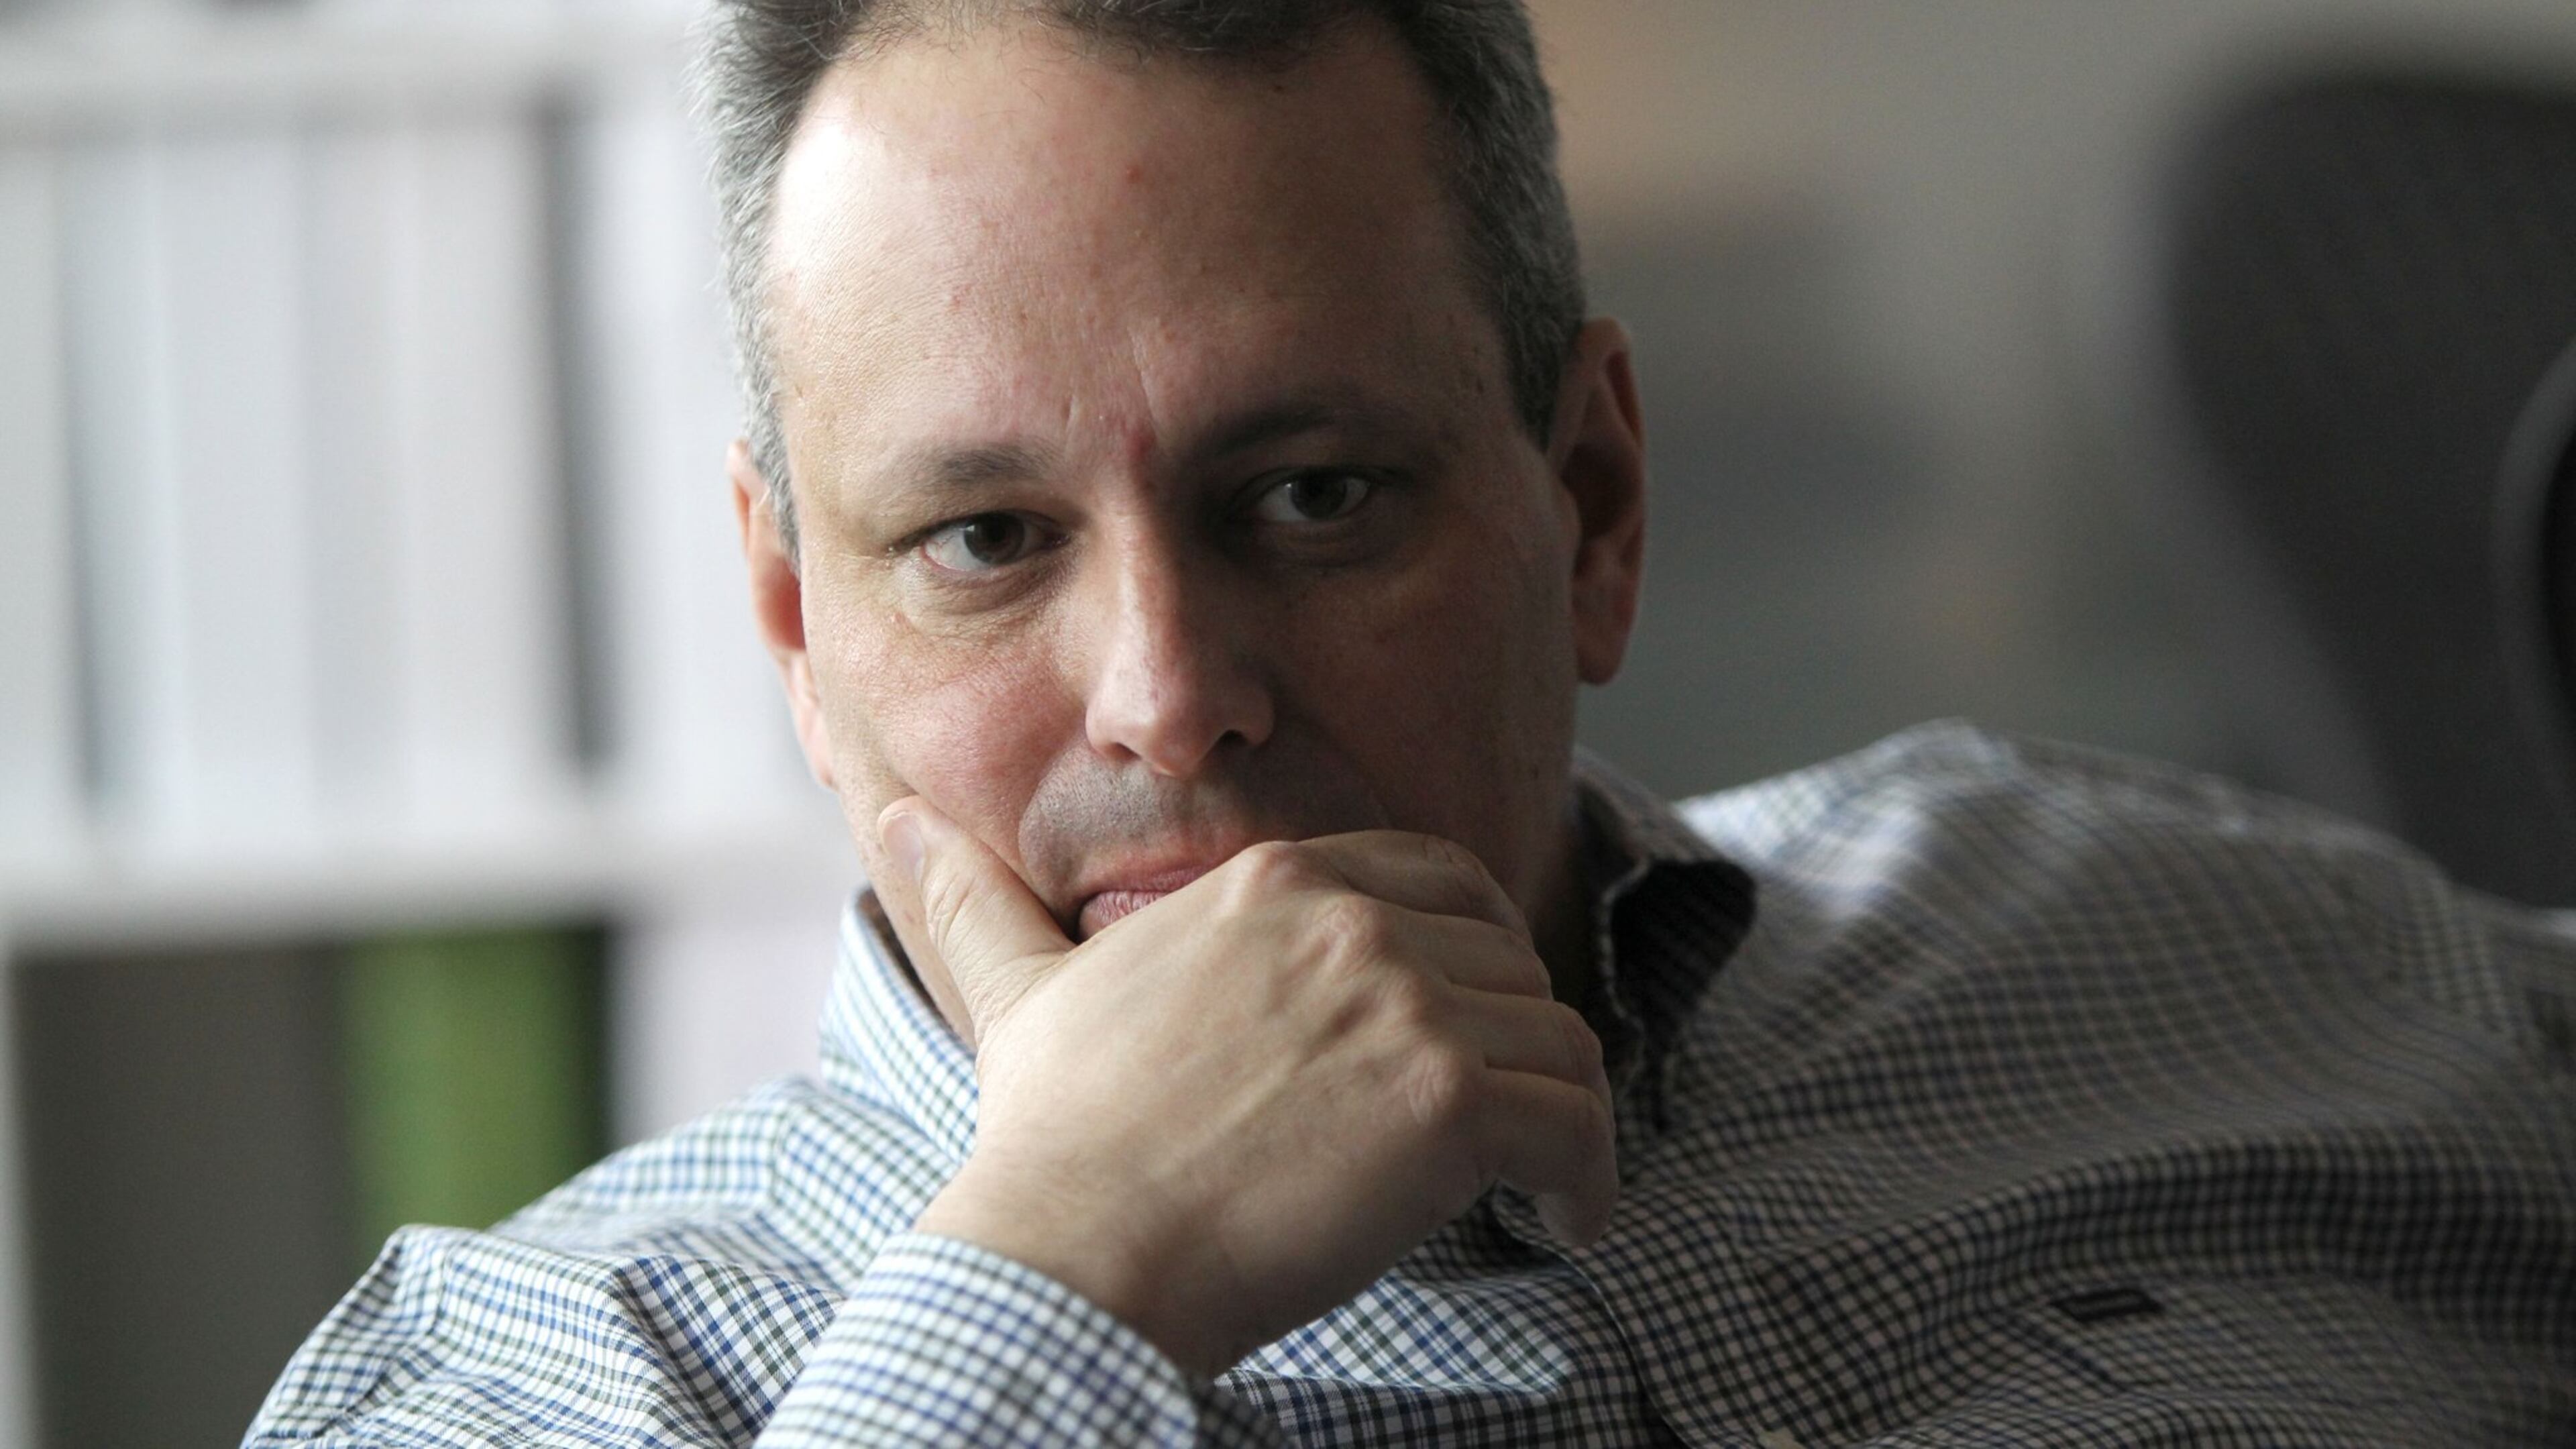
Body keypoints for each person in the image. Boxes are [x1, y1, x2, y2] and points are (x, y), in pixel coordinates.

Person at [248, 1, 2576, 1444]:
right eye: (984, 541)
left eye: (1316, 496)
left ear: (1591, 507)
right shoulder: (550, 1387)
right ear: (792, 620)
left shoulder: (2146, 943)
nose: (1171, 701)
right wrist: (1067, 1274)